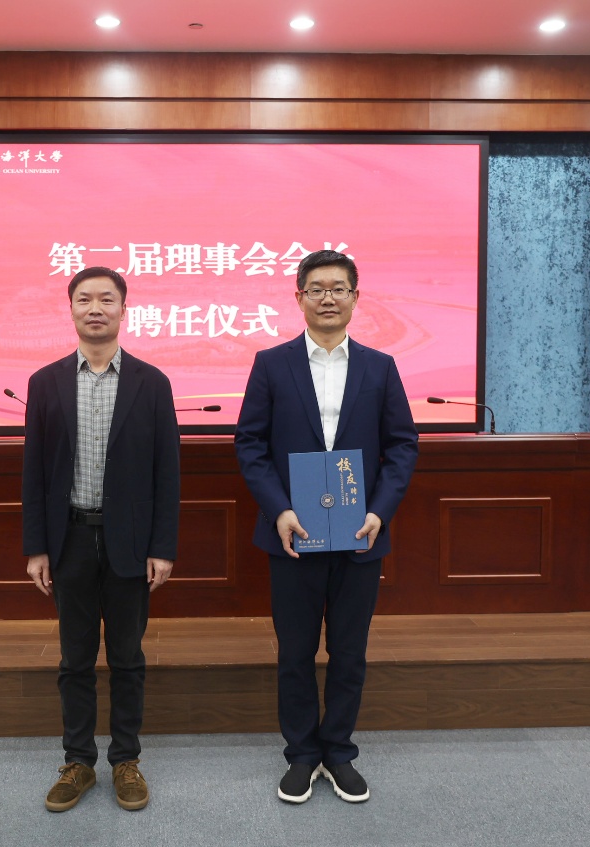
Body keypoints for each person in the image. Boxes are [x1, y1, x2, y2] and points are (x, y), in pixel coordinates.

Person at [234, 249, 419, 804]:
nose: (328, 298)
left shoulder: (380, 367)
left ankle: (338, 751)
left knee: (349, 651)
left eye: (339, 288)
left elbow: (402, 446)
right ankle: (301, 754)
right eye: (316, 289)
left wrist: (379, 511)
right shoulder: (272, 364)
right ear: (299, 298)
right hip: (293, 534)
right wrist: (279, 510)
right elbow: (250, 444)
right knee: (294, 652)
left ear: (356, 298)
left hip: (360, 534)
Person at [22, 266, 180, 813]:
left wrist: (163, 547)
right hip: (68, 540)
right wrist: (36, 546)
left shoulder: (151, 383)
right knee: (75, 658)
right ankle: (79, 761)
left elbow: (167, 473)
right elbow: (34, 473)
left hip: (130, 544)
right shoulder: (45, 382)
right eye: (85, 299)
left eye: (106, 300)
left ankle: (126, 760)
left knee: (128, 656)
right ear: (70, 309)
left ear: (123, 310)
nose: (95, 308)